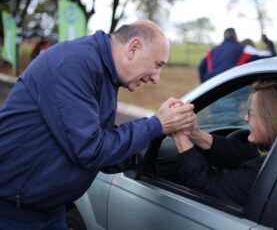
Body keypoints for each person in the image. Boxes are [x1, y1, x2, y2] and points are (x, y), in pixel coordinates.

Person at [0, 19, 195, 228]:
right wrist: (156, 125)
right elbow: (90, 149)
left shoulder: (104, 72)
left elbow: (103, 141)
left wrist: (155, 155)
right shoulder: (73, 65)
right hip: (15, 212)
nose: (156, 78)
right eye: (158, 65)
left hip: (49, 208)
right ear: (134, 47)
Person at [171, 80, 277, 206]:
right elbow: (247, 154)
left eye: (251, 113)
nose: (245, 118)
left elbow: (208, 190)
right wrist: (195, 134)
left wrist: (181, 139)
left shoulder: (264, 171)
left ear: (270, 119)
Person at [197, 28, 277, 83]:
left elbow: (201, 67)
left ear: (224, 37)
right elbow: (271, 55)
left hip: (213, 93)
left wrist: (205, 85)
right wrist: (268, 42)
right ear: (235, 36)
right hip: (233, 90)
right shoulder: (244, 49)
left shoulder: (212, 50)